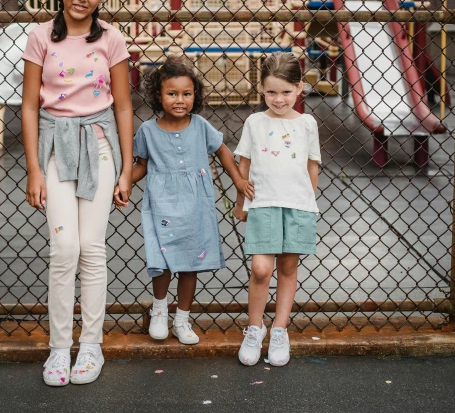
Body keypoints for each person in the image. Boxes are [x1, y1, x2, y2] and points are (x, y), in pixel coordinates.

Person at [20, 0, 133, 386]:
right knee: (64, 248)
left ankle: (91, 347)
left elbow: (123, 106)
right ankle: (58, 349)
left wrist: (124, 169)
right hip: (54, 143)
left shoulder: (111, 40)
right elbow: (30, 106)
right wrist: (34, 168)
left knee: (92, 247)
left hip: (99, 144)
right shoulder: (40, 37)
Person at [131, 56, 254, 344]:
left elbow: (223, 150)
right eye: (172, 94)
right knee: (160, 260)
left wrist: (237, 179)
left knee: (190, 263)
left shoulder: (199, 125)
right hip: (161, 204)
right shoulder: (147, 131)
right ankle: (160, 310)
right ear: (158, 96)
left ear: (194, 95)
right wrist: (123, 182)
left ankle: (182, 319)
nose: (179, 100)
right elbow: (142, 165)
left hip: (195, 205)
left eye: (186, 94)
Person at [232, 52, 321, 367]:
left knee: (287, 268)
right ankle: (255, 328)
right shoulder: (255, 122)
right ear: (262, 90)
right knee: (261, 269)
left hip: (296, 206)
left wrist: (307, 201)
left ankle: (280, 329)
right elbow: (245, 163)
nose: (279, 98)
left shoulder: (307, 124)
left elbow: (312, 166)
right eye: (271, 91)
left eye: (286, 91)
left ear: (299, 88)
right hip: (264, 203)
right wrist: (241, 201)